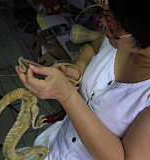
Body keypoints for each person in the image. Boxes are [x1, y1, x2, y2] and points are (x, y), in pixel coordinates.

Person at [15, 0, 150, 159]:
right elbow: (93, 48)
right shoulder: (115, 41)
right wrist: (79, 68)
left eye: (116, 24)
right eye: (107, 13)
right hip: (56, 143)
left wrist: (67, 95)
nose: (103, 21)